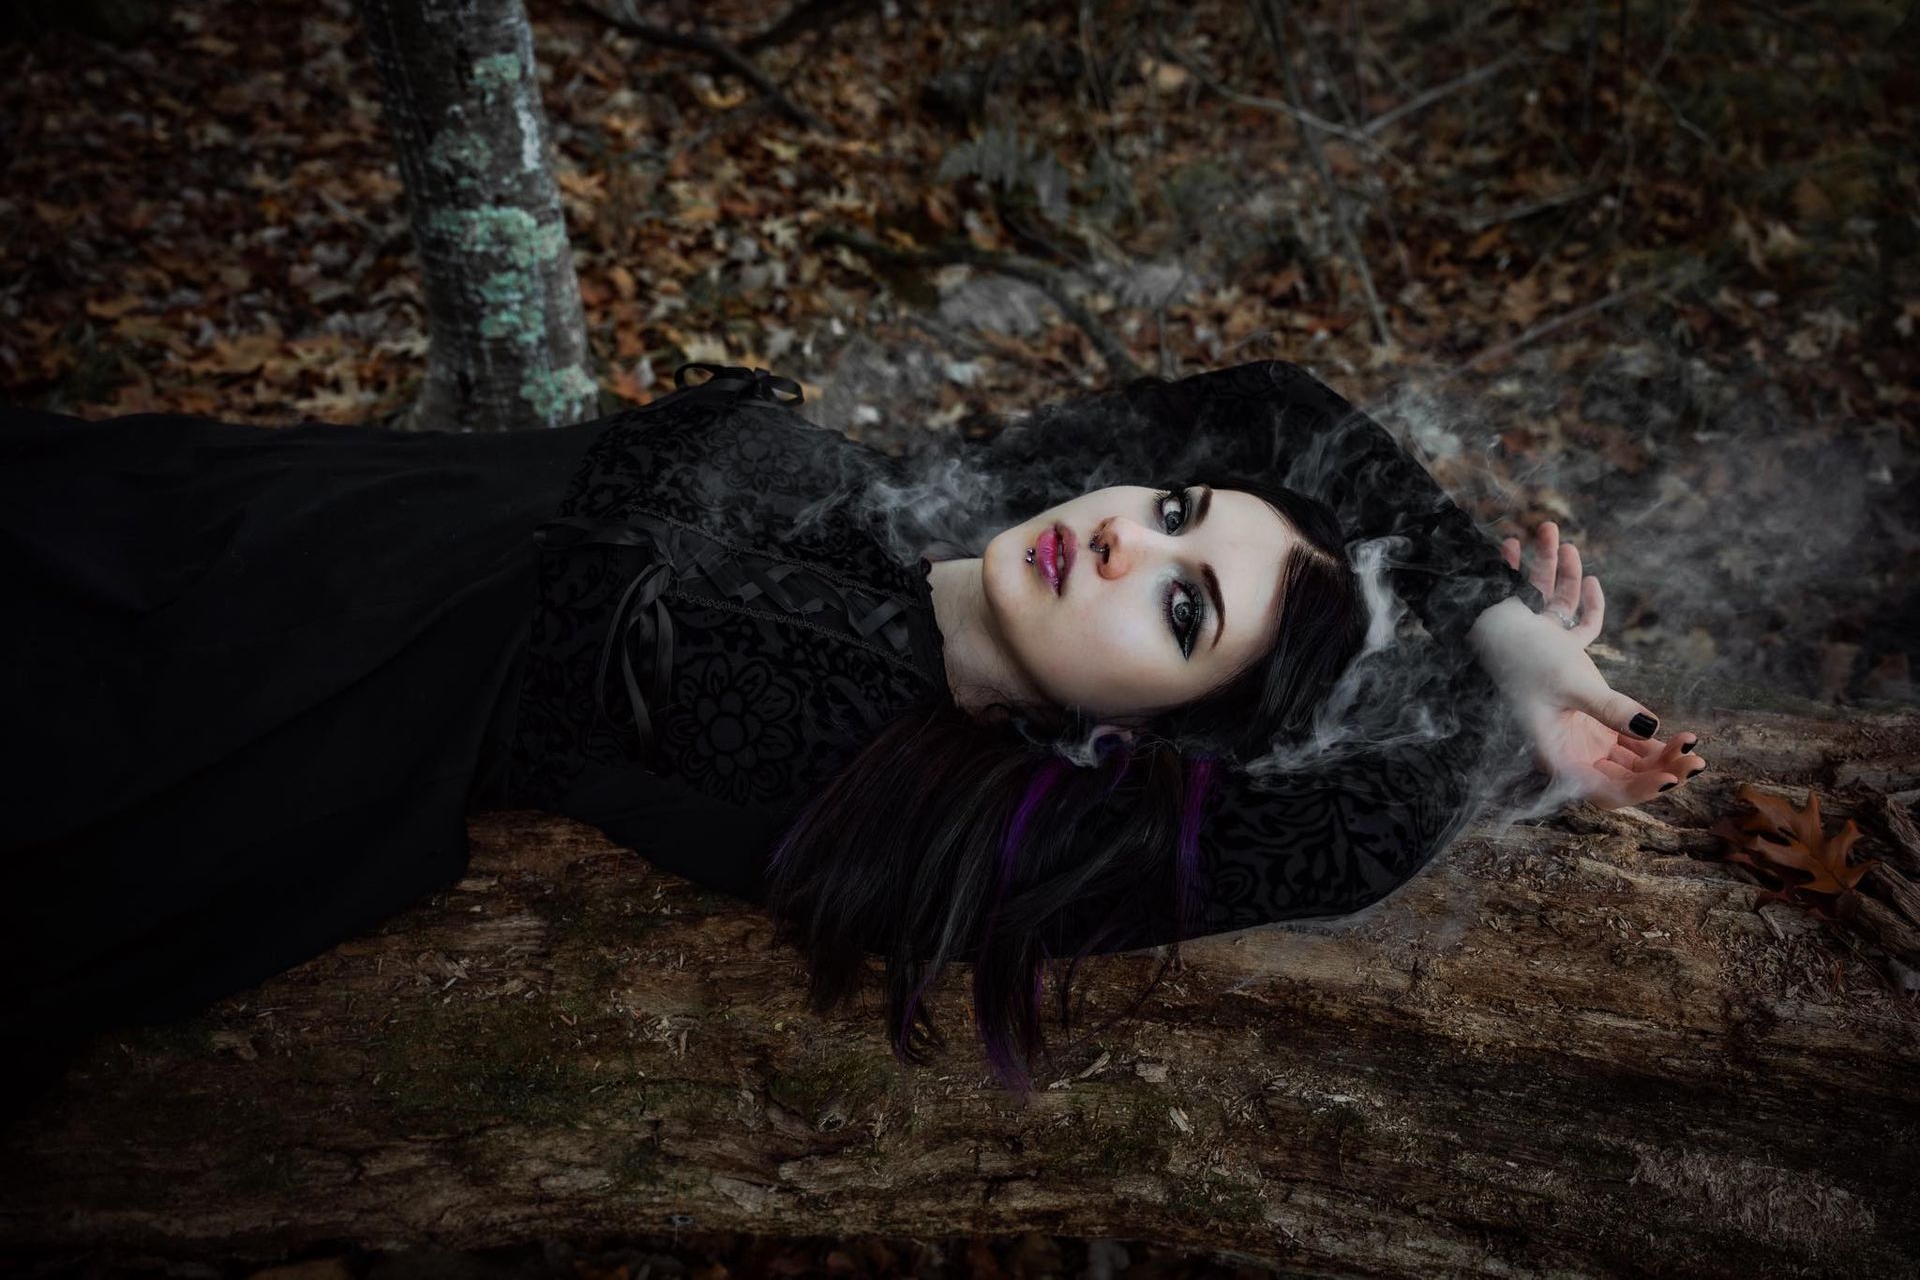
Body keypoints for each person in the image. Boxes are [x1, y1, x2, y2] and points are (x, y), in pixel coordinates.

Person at [0, 358, 1705, 1107]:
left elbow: (1346, 827)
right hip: (303, 511)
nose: (1129, 534)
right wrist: (1495, 617)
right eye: (1178, 508)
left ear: (1146, 741)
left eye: (1181, 609)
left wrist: (1517, 727)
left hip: (280, 691)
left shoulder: (903, 755)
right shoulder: (992, 494)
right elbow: (1272, 408)